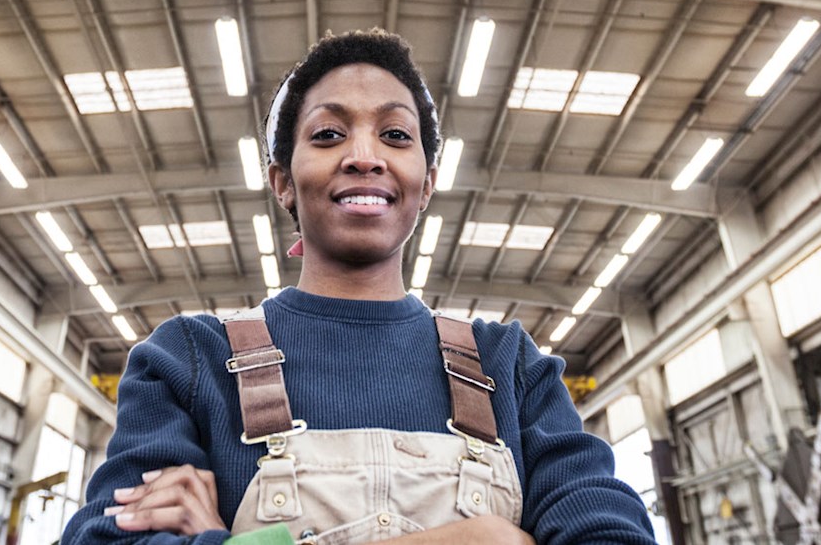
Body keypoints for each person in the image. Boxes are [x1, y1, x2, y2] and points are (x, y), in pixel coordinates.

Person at [61, 29, 658, 545]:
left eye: (397, 136)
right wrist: (485, 537)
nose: (364, 156)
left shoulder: (511, 366)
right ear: (282, 183)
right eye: (327, 136)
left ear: (425, 185)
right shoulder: (190, 360)